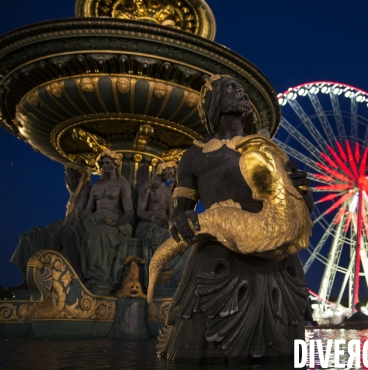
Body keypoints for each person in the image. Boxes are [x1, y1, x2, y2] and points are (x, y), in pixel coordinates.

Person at [156, 75, 314, 362]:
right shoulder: (194, 156)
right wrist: (180, 219)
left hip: (272, 255)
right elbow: (180, 208)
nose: (240, 91)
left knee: (281, 353)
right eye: (230, 88)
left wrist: (302, 190)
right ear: (213, 101)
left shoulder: (267, 150)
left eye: (240, 88)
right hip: (218, 253)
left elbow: (302, 206)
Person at [61, 150, 133, 289]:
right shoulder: (97, 185)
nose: (105, 166)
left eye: (108, 163)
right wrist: (80, 214)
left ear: (115, 164)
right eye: (103, 163)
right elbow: (89, 209)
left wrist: (117, 222)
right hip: (94, 219)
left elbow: (129, 211)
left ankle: (98, 275)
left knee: (99, 232)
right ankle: (78, 273)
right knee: (69, 233)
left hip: (114, 220)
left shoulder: (122, 183)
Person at [11, 166, 91, 289]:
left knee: (38, 237)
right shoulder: (76, 192)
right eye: (68, 177)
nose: (69, 181)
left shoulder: (86, 190)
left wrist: (82, 181)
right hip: (66, 221)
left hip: (73, 222)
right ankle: (29, 278)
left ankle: (34, 278)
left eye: (73, 177)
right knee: (28, 238)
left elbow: (74, 210)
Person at [136, 161, 187, 288]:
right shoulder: (148, 187)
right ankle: (160, 273)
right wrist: (154, 218)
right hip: (148, 224)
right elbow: (140, 211)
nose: (171, 174)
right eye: (169, 171)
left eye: (173, 173)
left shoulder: (168, 192)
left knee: (183, 239)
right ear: (161, 170)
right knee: (164, 236)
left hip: (164, 225)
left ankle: (173, 276)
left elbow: (171, 215)